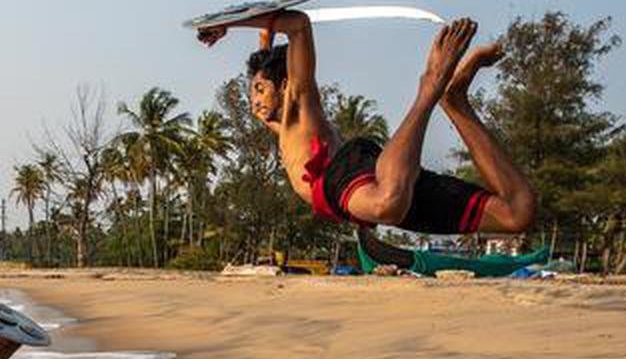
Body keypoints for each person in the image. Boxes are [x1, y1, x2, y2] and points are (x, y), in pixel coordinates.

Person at [198, 12, 537, 235]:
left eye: (259, 89)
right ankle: (455, 101)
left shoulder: (299, 103)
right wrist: (261, 33)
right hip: (375, 180)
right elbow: (269, 50)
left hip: (347, 177)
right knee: (517, 213)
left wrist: (231, 19)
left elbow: (298, 24)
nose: (253, 100)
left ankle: (432, 86)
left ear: (286, 86)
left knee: (387, 203)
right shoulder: (278, 123)